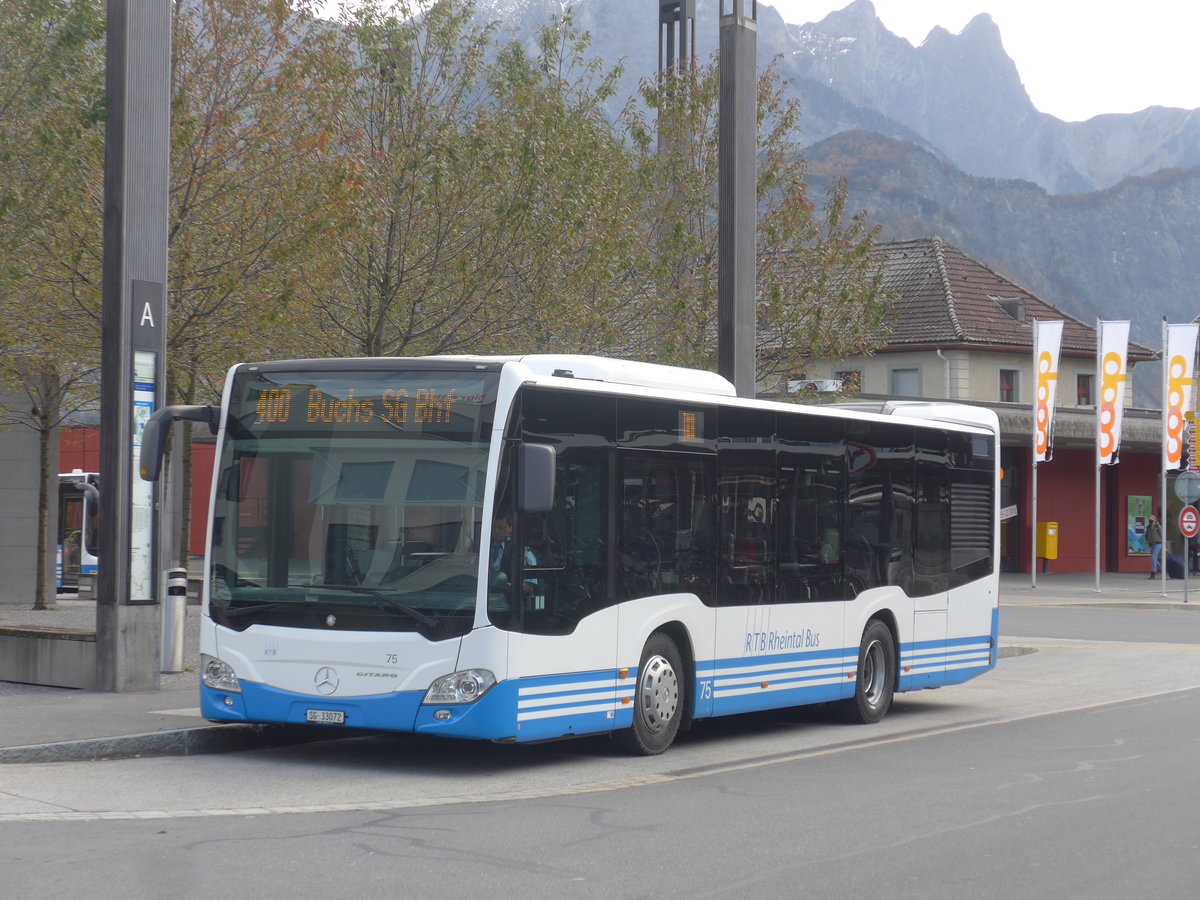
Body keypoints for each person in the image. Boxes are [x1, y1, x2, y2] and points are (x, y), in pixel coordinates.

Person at [1146, 512, 1163, 579]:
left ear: (1155, 519)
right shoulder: (1148, 527)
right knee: (1155, 559)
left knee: (1153, 558)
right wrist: (1146, 539)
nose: (1151, 520)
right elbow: (1147, 535)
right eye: (1150, 519)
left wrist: (1164, 545)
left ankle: (1153, 574)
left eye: (1152, 518)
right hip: (1151, 544)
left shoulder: (1158, 526)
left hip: (1158, 543)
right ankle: (1163, 570)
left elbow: (1162, 535)